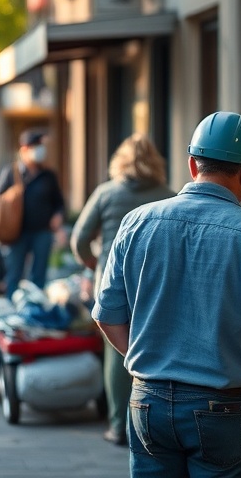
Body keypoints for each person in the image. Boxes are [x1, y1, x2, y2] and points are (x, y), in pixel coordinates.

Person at [93, 112, 241, 478]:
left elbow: (107, 316)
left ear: (192, 165)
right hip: (222, 409)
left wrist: (151, 360)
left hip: (147, 402)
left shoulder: (135, 223)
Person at [71, 134, 176, 447]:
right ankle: (152, 424)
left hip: (112, 281)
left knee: (117, 351)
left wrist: (94, 264)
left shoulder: (106, 193)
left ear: (120, 160)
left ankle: (118, 425)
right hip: (155, 284)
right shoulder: (168, 195)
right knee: (156, 347)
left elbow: (79, 240)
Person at [0, 129, 65, 300]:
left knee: (39, 276)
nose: (40, 150)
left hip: (42, 231)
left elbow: (59, 203)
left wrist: (58, 216)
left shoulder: (48, 175)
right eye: (36, 146)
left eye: (41, 146)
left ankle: (34, 310)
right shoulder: (12, 172)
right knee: (14, 275)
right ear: (24, 149)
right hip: (17, 233)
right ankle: (13, 309)